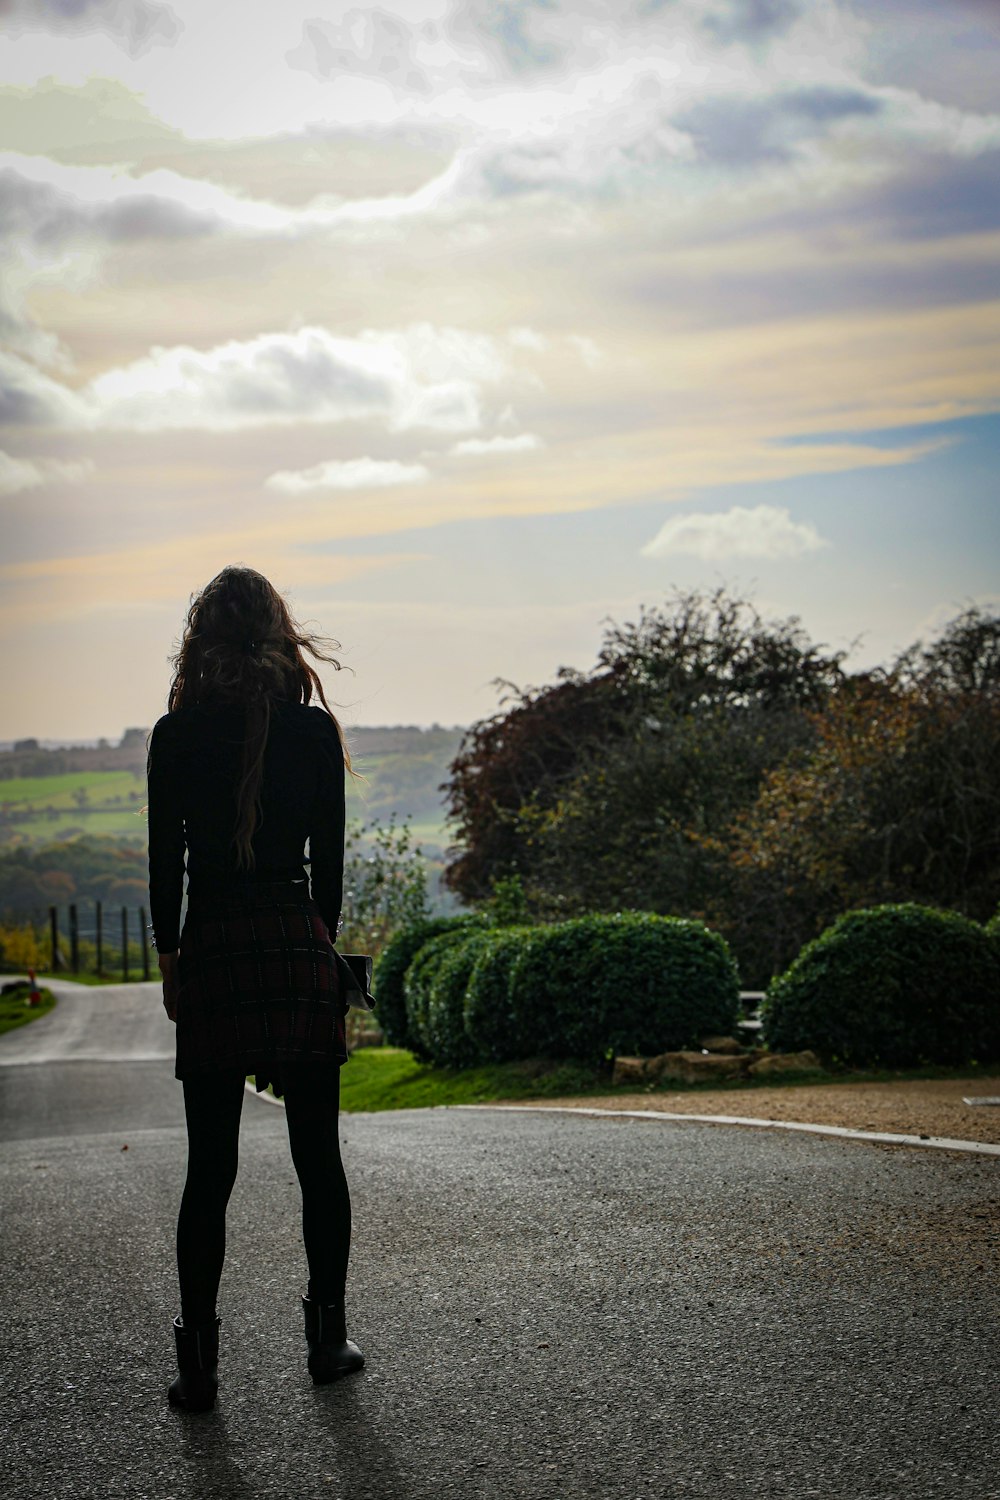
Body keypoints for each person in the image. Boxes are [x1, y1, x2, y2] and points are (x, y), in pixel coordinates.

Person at [146, 565, 365, 1413]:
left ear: (201, 636)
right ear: (280, 632)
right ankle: (327, 1340)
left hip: (215, 947)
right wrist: (315, 952)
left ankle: (198, 1365)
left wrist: (173, 959)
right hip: (291, 939)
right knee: (319, 1158)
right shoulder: (314, 735)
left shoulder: (176, 735)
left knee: (211, 1169)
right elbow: (332, 877)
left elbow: (170, 870)